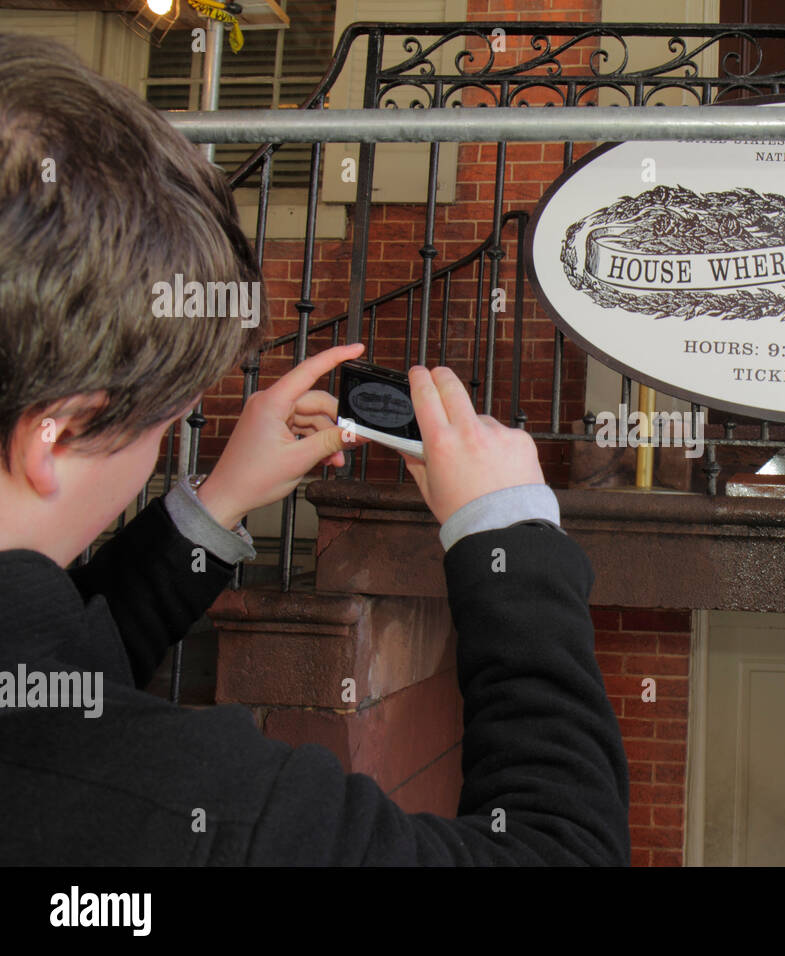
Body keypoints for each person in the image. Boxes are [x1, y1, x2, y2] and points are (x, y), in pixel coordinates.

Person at [0, 33, 629, 865]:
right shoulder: (207, 811)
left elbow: (57, 664)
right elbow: (565, 852)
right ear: (59, 432)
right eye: (164, 416)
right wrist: (508, 537)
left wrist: (216, 502)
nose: (177, 423)